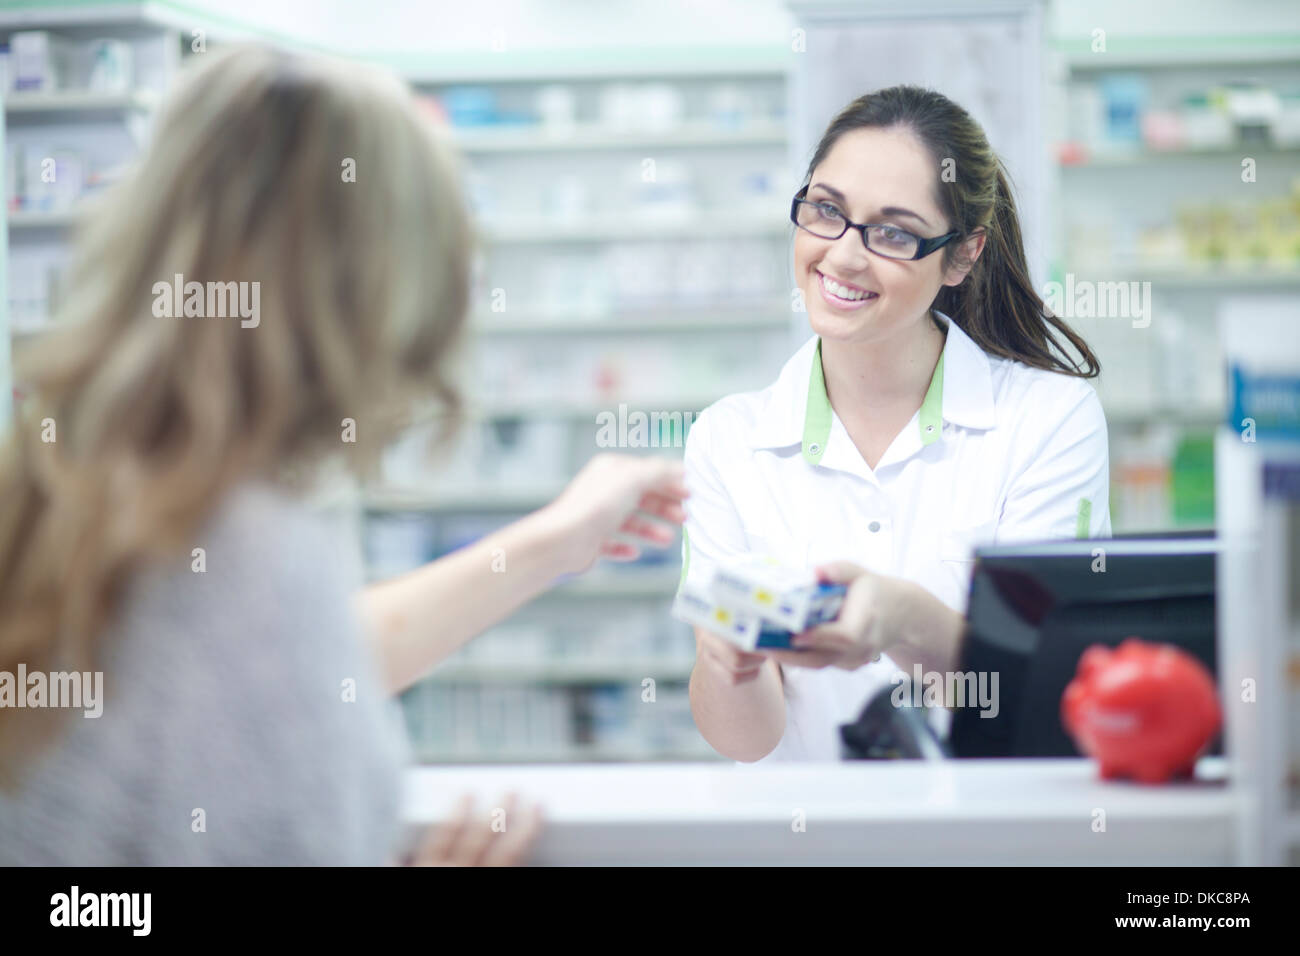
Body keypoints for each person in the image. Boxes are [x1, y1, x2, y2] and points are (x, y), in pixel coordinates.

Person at [0, 44, 686, 865]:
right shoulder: (252, 558)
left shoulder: (59, 481)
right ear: (386, 293)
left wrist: (557, 541)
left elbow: (277, 679)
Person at [684, 85, 1111, 763]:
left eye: (893, 232)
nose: (845, 256)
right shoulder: (727, 439)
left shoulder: (1046, 420)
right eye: (826, 211)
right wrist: (725, 663)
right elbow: (745, 740)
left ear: (964, 253)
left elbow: (1049, 688)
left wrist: (903, 620)